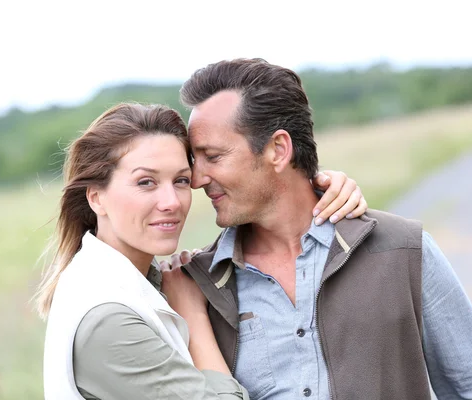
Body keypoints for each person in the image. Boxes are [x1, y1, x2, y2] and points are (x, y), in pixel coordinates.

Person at [162, 58, 472, 400]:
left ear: (278, 150)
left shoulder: (403, 250)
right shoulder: (197, 285)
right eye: (195, 160)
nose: (196, 179)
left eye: (214, 156)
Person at [34, 102, 367, 400]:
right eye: (146, 182)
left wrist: (321, 188)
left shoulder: (133, 281)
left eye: (180, 180)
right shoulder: (108, 319)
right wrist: (192, 315)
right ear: (96, 197)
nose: (171, 203)